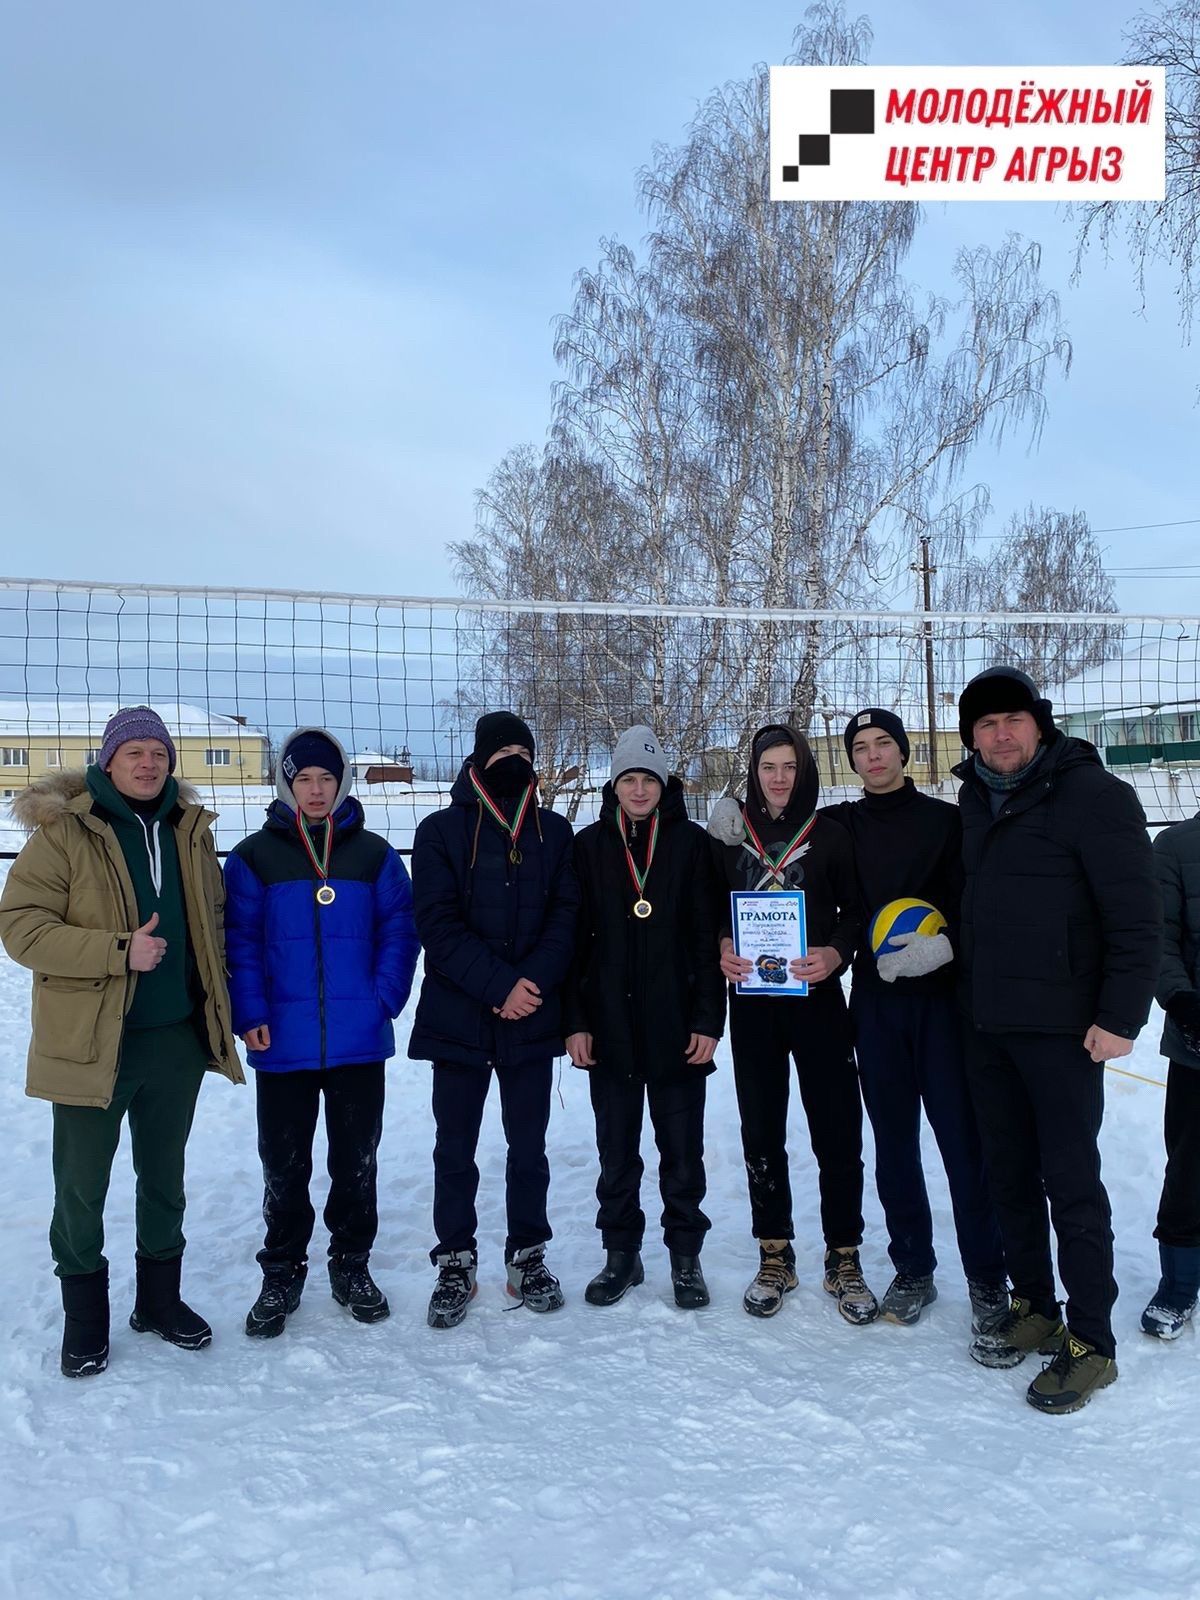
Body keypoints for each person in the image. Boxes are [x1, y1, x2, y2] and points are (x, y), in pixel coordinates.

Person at [0, 706, 243, 1377]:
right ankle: (85, 1321)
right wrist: (116, 950)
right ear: (107, 762)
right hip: (91, 1044)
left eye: (158, 754)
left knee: (164, 1180)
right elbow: (19, 926)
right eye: (133, 752)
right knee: (81, 1185)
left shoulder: (190, 832)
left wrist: (223, 1007)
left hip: (176, 1044)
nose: (146, 764)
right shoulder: (63, 833)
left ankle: (159, 1304)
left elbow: (214, 924)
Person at [955, 666, 1161, 1414]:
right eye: (985, 724)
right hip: (989, 1027)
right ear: (971, 736)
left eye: (1013, 719)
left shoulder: (1097, 798)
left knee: (1071, 1187)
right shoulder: (975, 799)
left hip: (1066, 1033)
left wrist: (1120, 1017)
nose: (1000, 735)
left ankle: (1092, 1343)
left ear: (1040, 725)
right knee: (1007, 1176)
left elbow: (1136, 922)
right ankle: (1036, 1305)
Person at [223, 727, 419, 1336]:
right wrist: (249, 1012)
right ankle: (281, 1269)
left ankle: (351, 1262)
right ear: (287, 782)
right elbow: (241, 944)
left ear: (341, 784)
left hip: (358, 1039)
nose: (314, 789)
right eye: (303, 778)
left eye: (325, 779)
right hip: (280, 1039)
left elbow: (400, 931)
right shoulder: (255, 856)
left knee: (356, 1158)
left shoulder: (375, 854)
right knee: (284, 1163)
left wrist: (383, 998)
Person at [823, 709, 1008, 1332]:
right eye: (861, 748)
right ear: (850, 760)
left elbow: (975, 901)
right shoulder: (840, 825)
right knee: (894, 1144)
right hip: (876, 1008)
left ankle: (988, 1278)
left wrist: (946, 943)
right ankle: (914, 1268)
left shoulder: (945, 821)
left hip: (941, 1006)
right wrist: (733, 835)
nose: (873, 756)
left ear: (903, 752)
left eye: (883, 744)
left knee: (963, 1144)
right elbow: (779, 844)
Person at [409, 712, 579, 1329]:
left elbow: (567, 917)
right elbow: (437, 924)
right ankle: (454, 1260)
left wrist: (527, 987)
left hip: (530, 1018)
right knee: (454, 1149)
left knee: (528, 1148)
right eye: (501, 749)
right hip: (459, 1020)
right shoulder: (439, 832)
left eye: (522, 750)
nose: (513, 759)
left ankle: (528, 1255)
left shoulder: (554, 833)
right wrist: (499, 985)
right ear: (478, 759)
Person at [707, 723, 876, 1324]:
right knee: (761, 1130)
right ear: (753, 774)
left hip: (818, 1002)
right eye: (768, 768)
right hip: (753, 1005)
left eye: (789, 767)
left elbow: (856, 912)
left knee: (837, 1131)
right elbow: (707, 909)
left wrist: (835, 953)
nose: (779, 778)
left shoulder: (829, 834)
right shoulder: (730, 838)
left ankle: (844, 1254)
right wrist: (722, 942)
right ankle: (774, 1251)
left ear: (805, 771)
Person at [564, 726, 725, 1309]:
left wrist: (709, 1020)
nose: (638, 789)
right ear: (614, 785)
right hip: (607, 1029)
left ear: (664, 784)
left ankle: (686, 1259)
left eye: (648, 779)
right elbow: (575, 945)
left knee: (682, 1150)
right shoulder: (587, 848)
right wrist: (576, 1021)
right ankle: (621, 1256)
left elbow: (709, 942)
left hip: (677, 1028)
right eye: (628, 778)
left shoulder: (691, 846)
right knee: (617, 1150)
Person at [1141, 808, 1200, 1338]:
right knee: (1189, 1170)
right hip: (1197, 1043)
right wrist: (1182, 1002)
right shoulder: (1177, 846)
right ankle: (1179, 1285)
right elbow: (1160, 938)